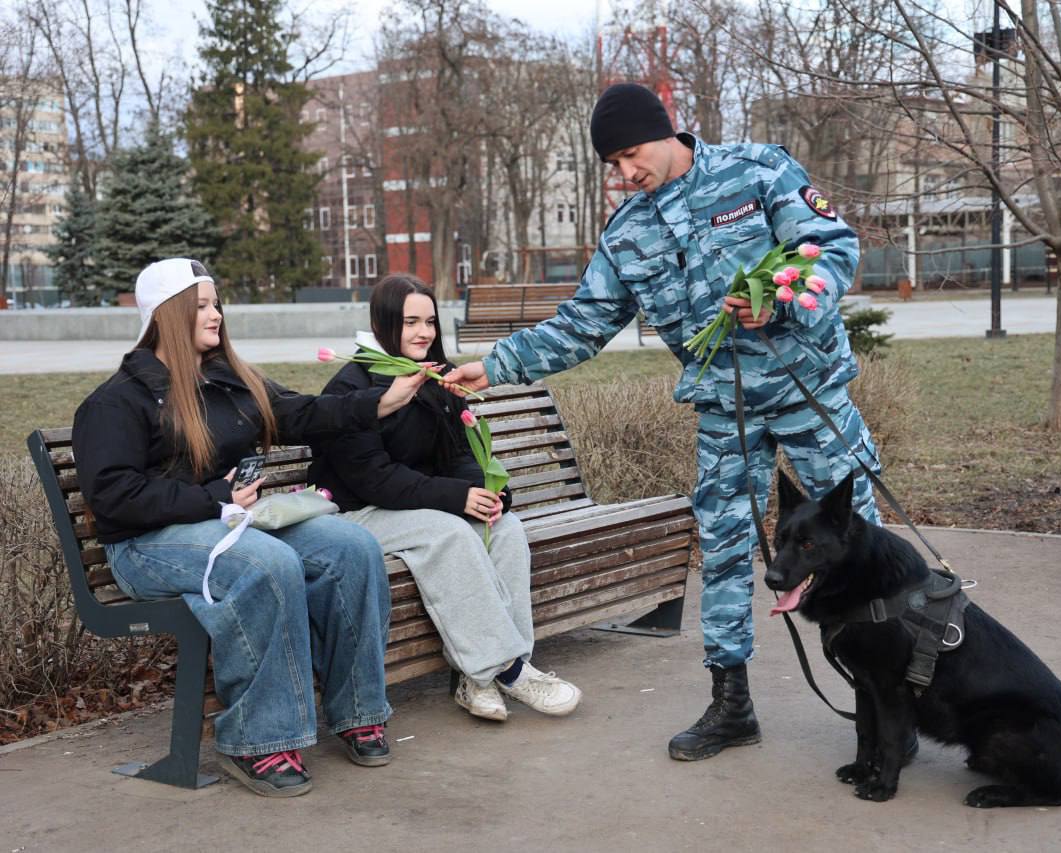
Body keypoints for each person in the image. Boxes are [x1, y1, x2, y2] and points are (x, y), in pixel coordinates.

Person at [442, 83, 883, 761]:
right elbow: (583, 324)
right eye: (612, 164)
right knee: (725, 550)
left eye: (631, 155)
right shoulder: (627, 233)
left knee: (859, 545)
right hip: (725, 411)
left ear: (666, 131)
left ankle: (887, 697)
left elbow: (829, 248)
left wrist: (783, 301)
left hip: (807, 393)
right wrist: (495, 365)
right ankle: (731, 705)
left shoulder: (757, 171)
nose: (625, 173)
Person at [73, 258, 432, 797]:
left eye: (216, 304)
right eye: (201, 306)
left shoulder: (229, 380)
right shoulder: (117, 401)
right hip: (146, 545)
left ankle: (359, 710)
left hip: (226, 524)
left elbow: (302, 414)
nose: (215, 314)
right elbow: (114, 496)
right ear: (167, 314)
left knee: (352, 547)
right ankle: (258, 740)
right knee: (268, 564)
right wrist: (214, 498)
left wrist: (379, 401)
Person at [307, 274, 582, 722]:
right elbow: (374, 479)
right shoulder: (350, 389)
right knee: (450, 532)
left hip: (417, 506)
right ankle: (510, 671)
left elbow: (460, 455)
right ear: (382, 324)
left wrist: (490, 492)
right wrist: (456, 497)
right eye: (410, 322)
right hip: (357, 514)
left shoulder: (436, 377)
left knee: (504, 528)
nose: (424, 332)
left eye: (430, 321)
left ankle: (480, 679)